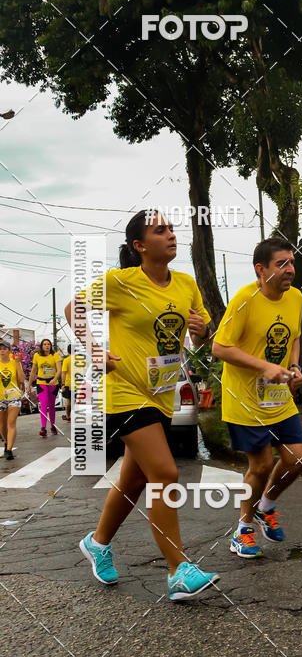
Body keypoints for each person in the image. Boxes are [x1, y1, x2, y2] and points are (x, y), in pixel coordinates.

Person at [65, 209, 220, 601]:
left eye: (171, 228)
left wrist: (201, 332)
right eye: (160, 230)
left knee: (133, 481)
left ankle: (98, 543)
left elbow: (198, 338)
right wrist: (95, 350)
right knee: (165, 473)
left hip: (162, 394)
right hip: (126, 393)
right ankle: (178, 571)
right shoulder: (121, 282)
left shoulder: (185, 284)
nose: (171, 234)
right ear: (139, 246)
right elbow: (74, 309)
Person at [212, 237, 302, 558]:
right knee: (262, 464)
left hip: (278, 396)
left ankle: (266, 506)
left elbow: (294, 336)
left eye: (291, 263)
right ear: (260, 269)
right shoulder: (244, 299)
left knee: (298, 458)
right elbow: (220, 347)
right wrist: (265, 366)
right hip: (244, 399)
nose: (290, 269)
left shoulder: (295, 298)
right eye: (281, 264)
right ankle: (243, 530)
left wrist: (293, 365)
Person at [26, 339, 61, 436]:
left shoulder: (55, 355)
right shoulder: (37, 355)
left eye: (48, 344)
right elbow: (33, 371)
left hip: (53, 383)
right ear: (41, 346)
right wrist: (28, 386)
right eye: (45, 344)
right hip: (41, 382)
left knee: (52, 405)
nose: (47, 346)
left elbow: (59, 370)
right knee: (44, 404)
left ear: (51, 346)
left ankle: (53, 426)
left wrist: (54, 379)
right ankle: (43, 428)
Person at [0, 342, 24, 460]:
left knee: (11, 422)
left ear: (9, 350)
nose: (2, 351)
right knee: (2, 425)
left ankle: (9, 449)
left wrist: (17, 363)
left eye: (4, 349)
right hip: (0, 397)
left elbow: (21, 379)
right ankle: (6, 441)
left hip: (14, 396)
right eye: (0, 349)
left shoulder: (14, 362)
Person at [61, 344, 72, 422]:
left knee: (68, 401)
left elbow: (63, 373)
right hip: (79, 384)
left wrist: (63, 384)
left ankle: (68, 416)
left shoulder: (66, 360)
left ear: (68, 351)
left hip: (69, 384)